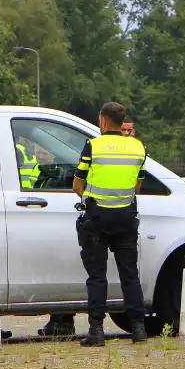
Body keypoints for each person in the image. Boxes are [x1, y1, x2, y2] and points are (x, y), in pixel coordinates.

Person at [74, 102, 149, 346]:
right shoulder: (138, 148)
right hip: (126, 217)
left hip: (96, 219)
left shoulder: (93, 147)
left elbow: (77, 185)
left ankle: (96, 332)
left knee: (97, 276)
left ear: (104, 120)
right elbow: (138, 186)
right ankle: (138, 330)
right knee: (130, 275)